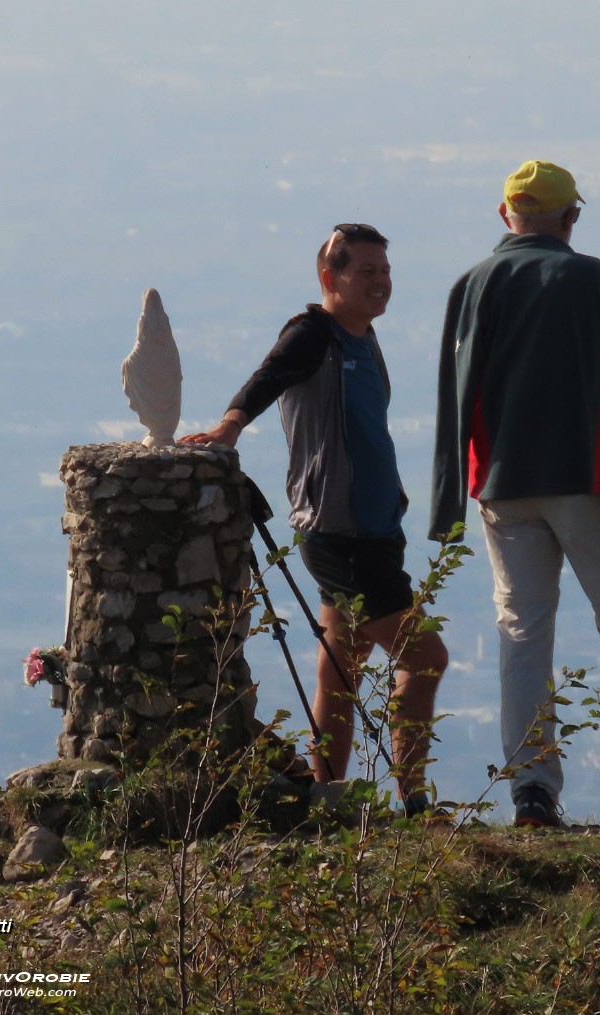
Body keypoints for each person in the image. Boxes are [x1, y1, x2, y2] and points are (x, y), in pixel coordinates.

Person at [430, 161, 600, 828]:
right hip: (589, 478)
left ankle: (531, 793)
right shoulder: (594, 279)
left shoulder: (473, 284)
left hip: (501, 486)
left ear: (503, 215)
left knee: (521, 634)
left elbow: (454, 394)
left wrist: (451, 498)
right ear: (571, 218)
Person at [182, 223, 448, 817]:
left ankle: (326, 799)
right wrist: (229, 425)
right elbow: (268, 376)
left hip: (374, 530)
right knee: (425, 657)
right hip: (340, 532)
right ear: (331, 279)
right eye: (366, 272)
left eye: (385, 271)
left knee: (341, 666)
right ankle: (416, 801)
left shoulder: (364, 337)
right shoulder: (313, 335)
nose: (380, 283)